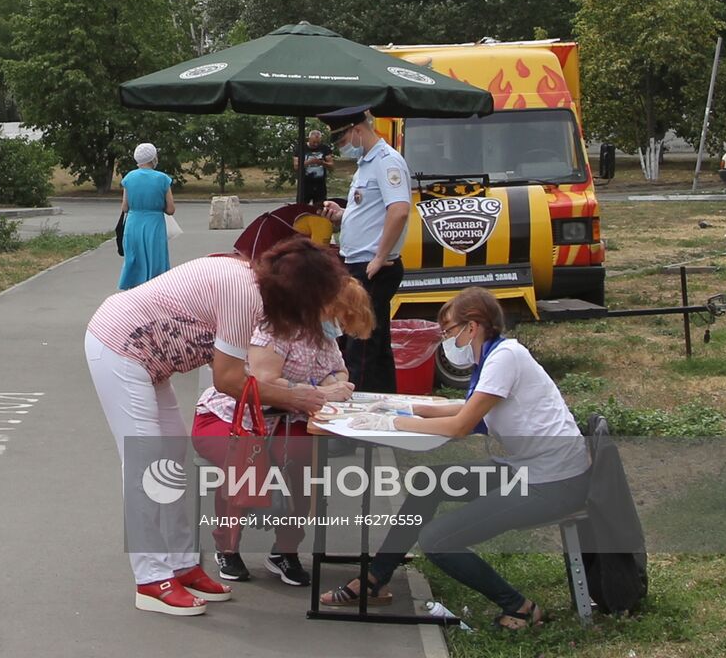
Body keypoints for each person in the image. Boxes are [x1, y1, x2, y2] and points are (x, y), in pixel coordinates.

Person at [84, 215, 332, 617]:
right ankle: (150, 579)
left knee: (173, 462)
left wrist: (294, 394)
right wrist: (298, 398)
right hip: (119, 349)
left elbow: (240, 371)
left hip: (147, 359)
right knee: (147, 464)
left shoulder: (252, 285)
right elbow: (228, 379)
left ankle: (182, 566)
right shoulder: (246, 294)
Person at [318, 288, 591, 631]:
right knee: (426, 483)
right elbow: (467, 408)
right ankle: (375, 579)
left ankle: (521, 608)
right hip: (529, 470)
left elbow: (462, 425)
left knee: (437, 540)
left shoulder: (505, 358)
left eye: (448, 332)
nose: (447, 340)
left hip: (551, 483)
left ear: (472, 327)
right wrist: (401, 407)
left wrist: (393, 422)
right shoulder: (496, 356)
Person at [193, 273, 368, 586]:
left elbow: (339, 371)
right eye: (339, 315)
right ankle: (227, 547)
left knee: (305, 462)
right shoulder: (276, 329)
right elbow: (265, 383)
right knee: (245, 462)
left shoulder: (322, 334)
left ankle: (285, 550)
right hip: (232, 416)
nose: (340, 325)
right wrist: (322, 388)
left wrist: (328, 383)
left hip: (287, 418)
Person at [319, 105, 411, 392]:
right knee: (376, 343)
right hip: (360, 263)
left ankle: (357, 412)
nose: (344, 149)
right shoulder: (368, 164)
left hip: (371, 266)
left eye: (344, 142)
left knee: (360, 346)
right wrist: (344, 213)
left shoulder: (387, 162)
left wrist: (379, 257)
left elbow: (399, 211)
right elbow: (371, 212)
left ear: (357, 131)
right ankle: (384, 403)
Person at [118, 142, 175, 290]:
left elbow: (124, 207)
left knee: (134, 258)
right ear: (153, 157)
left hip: (133, 223)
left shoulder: (129, 178)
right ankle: (156, 291)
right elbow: (170, 209)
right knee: (155, 257)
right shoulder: (162, 179)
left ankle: (134, 291)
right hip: (154, 223)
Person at [293, 130, 334, 206]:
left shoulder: (325, 148)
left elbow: (331, 165)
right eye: (314, 142)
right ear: (309, 139)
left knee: (320, 208)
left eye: (318, 142)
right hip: (305, 184)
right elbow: (296, 166)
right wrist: (309, 162)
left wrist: (322, 163)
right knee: (301, 207)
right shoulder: (301, 148)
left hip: (320, 184)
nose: (316, 144)